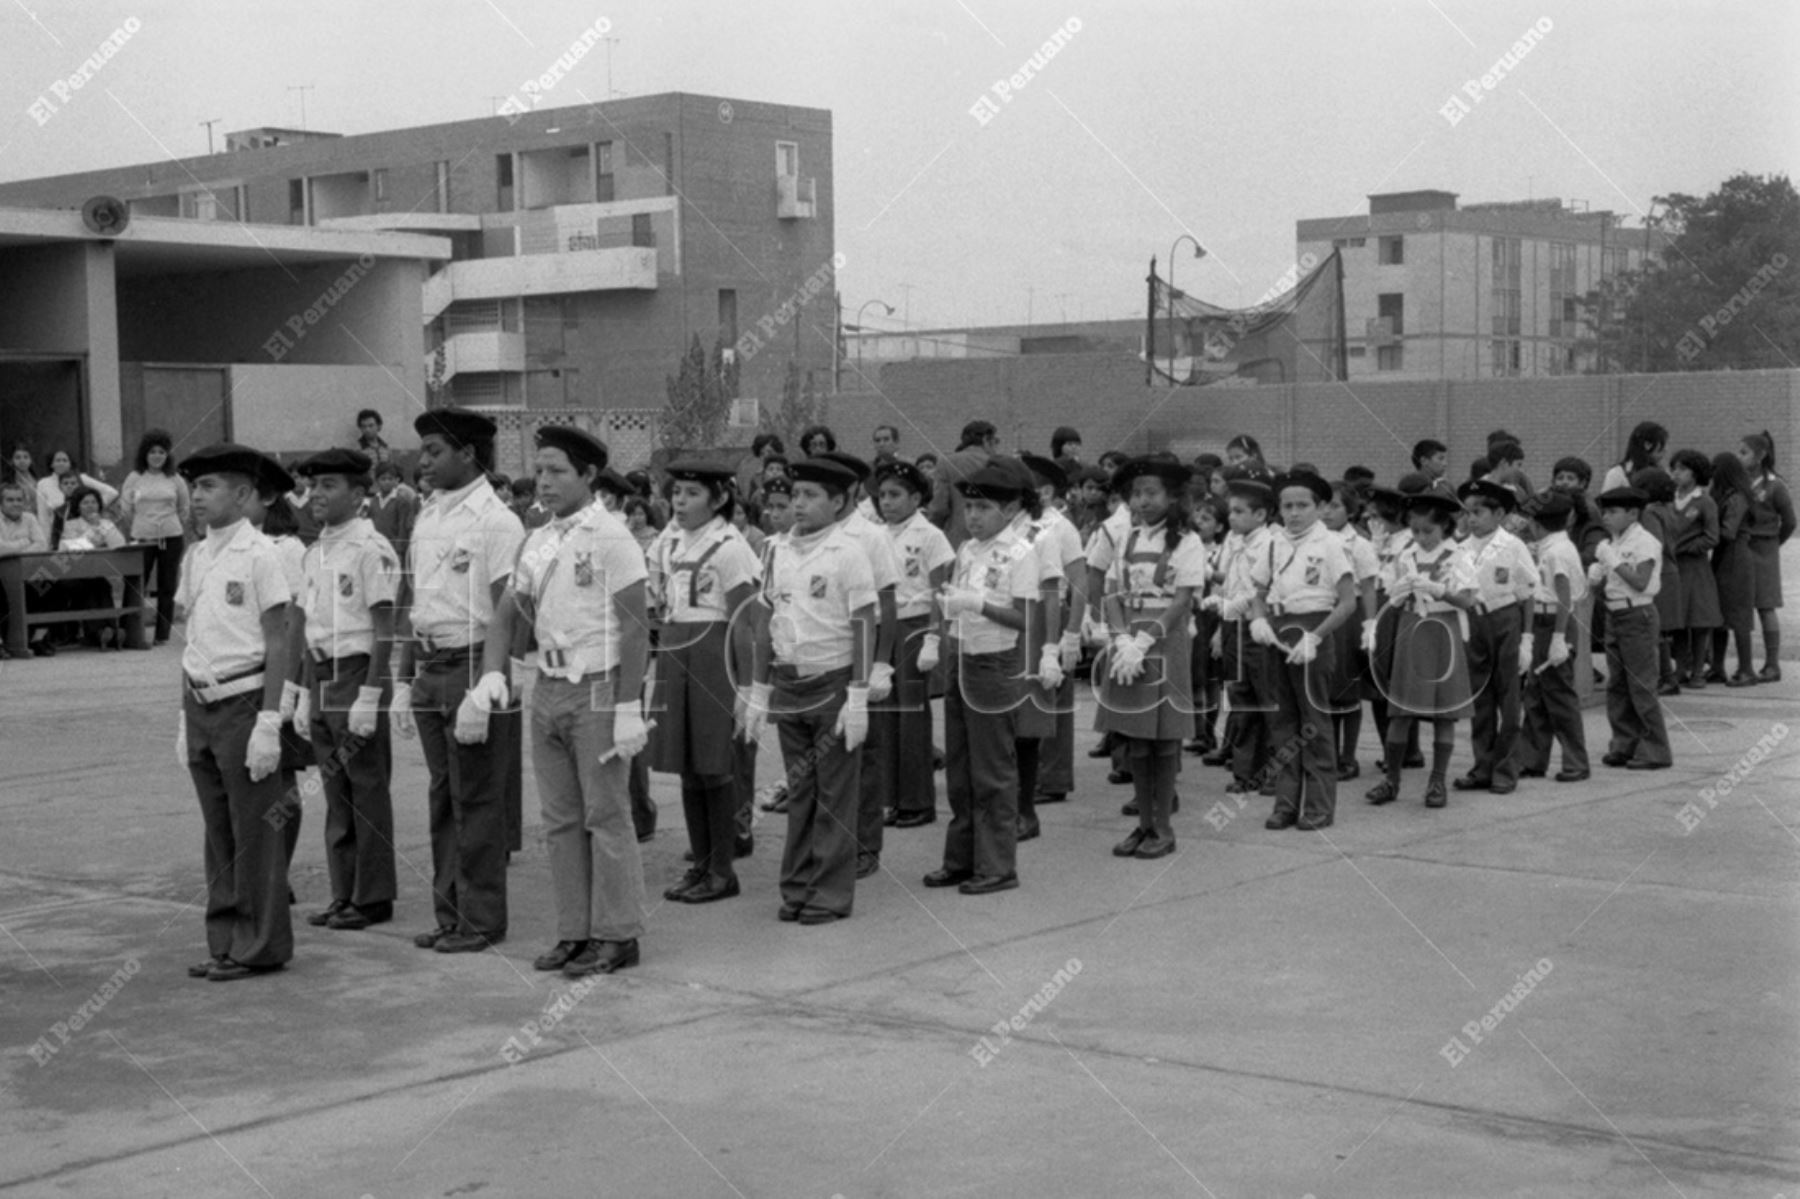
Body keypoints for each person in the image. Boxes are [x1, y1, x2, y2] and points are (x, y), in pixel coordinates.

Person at [479, 425, 651, 976]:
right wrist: (490, 674)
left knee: (605, 814)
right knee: (559, 819)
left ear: (588, 476)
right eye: (540, 469)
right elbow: (508, 614)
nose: (544, 481)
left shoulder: (613, 537)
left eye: (557, 471)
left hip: (597, 687)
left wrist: (628, 706)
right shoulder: (538, 539)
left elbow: (634, 628)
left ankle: (618, 933)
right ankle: (575, 931)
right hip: (547, 688)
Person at [393, 408, 526, 955]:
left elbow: (508, 611)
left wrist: (492, 679)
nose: (422, 462)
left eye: (434, 451)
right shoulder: (427, 515)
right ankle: (450, 912)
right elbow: (414, 602)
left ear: (469, 454)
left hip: (474, 664)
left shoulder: (497, 521)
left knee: (478, 798)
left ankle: (482, 918)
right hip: (430, 665)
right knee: (444, 797)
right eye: (422, 451)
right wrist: (401, 678)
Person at [174, 444, 297, 982]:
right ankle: (224, 940)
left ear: (244, 494)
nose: (197, 497)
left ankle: (261, 946)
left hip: (245, 701)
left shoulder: (262, 555)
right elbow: (193, 635)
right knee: (218, 831)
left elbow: (281, 640)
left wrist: (271, 721)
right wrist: (183, 717)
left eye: (209, 487)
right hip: (201, 701)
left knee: (256, 832)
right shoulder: (196, 555)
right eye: (195, 488)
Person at [742, 455, 877, 923]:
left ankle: (830, 894)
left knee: (835, 794)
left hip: (833, 682)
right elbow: (765, 621)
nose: (798, 504)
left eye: (811, 495)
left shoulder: (848, 552)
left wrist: (858, 696)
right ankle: (797, 886)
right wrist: (758, 691)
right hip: (790, 682)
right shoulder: (776, 551)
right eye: (795, 495)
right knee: (800, 789)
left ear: (838, 502)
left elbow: (864, 623)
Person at [289, 448, 400, 934]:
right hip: (321, 671)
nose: (316, 494)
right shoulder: (314, 551)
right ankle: (344, 891)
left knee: (366, 788)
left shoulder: (369, 548)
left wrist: (371, 694)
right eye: (313, 485)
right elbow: (306, 625)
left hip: (356, 671)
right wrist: (299, 692)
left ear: (359, 495)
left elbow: (384, 628)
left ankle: (373, 896)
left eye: (329, 485)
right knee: (336, 792)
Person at [646, 458, 760, 906]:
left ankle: (722, 869)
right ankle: (701, 862)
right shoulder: (671, 541)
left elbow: (745, 623)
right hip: (677, 650)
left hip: (713, 654)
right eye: (677, 492)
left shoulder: (730, 547)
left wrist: (749, 688)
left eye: (693, 494)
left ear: (719, 500)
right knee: (689, 766)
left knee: (715, 765)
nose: (681, 501)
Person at [921, 460, 1037, 891]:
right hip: (963, 658)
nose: (972, 517)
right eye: (967, 507)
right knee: (960, 767)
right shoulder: (968, 550)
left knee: (992, 772)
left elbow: (1026, 618)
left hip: (994, 663)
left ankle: (997, 865)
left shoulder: (1021, 552)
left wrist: (977, 604)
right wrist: (950, 614)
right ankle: (962, 857)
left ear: (1008, 510)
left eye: (983, 508)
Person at [1096, 456, 1206, 854]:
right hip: (1128, 642)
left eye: (1151, 493)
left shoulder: (1187, 541)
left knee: (1163, 740)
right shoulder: (1126, 538)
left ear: (1173, 496)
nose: (1142, 501)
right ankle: (1142, 824)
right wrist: (1122, 638)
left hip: (1164, 641)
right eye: (1136, 494)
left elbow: (1182, 601)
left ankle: (1163, 827)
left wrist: (1144, 642)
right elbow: (1111, 592)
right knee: (1134, 740)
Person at [1255, 471, 1356, 830]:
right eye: (1287, 506)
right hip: (1278, 632)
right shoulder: (1273, 543)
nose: (1294, 513)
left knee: (1314, 723)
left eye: (1302, 505)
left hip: (1314, 631)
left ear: (1320, 507)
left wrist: (1315, 637)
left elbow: (1347, 603)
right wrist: (1259, 619)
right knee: (1282, 722)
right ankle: (1285, 803)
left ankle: (1318, 805)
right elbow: (1257, 590)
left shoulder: (1331, 545)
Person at [1365, 490, 1475, 809]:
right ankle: (1392, 780)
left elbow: (1469, 600)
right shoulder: (1406, 555)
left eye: (1429, 531)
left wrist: (1443, 590)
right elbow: (1393, 593)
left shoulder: (1458, 557)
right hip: (1411, 629)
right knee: (1400, 710)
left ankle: (1437, 782)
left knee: (1444, 713)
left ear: (1445, 528)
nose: (1421, 537)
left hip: (1443, 632)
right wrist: (1397, 595)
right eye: (1415, 531)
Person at [872, 459, 953, 829]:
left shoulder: (929, 536)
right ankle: (890, 797)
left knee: (912, 717)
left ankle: (918, 801)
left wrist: (934, 638)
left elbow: (940, 592)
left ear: (916, 497)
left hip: (916, 625)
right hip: (883, 626)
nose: (886, 502)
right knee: (885, 716)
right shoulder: (876, 534)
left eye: (895, 495)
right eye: (882, 495)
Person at [1451, 479, 1538, 795]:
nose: (1472, 519)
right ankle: (1482, 766)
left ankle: (1506, 768)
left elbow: (1528, 592)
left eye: (1479, 512)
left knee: (1509, 698)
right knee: (1480, 699)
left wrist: (1527, 638)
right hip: (1474, 621)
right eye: (1468, 512)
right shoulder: (1459, 548)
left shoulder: (1513, 546)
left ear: (1499, 513)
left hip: (1505, 618)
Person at [1018, 454, 1087, 817]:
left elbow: (1079, 581)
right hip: (1022, 612)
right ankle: (1030, 771)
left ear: (1044, 490)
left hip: (1053, 611)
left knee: (1054, 697)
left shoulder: (1061, 527)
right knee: (1030, 693)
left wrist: (1072, 631)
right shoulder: (1017, 523)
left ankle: (1054, 777)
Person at [1590, 486, 1672, 769]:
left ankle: (1655, 750)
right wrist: (1596, 577)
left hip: (1637, 614)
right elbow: (1608, 586)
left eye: (1613, 511)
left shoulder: (1644, 541)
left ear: (1633, 513)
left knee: (1641, 684)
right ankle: (1624, 743)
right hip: (1615, 614)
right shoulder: (1613, 541)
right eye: (1605, 511)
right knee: (1618, 686)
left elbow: (1639, 581)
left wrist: (1612, 561)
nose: (1606, 517)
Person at [1205, 475, 1276, 794]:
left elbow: (1262, 590)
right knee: (1241, 699)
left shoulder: (1270, 544)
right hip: (1235, 627)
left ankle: (1275, 772)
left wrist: (1230, 605)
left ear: (1260, 515)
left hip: (1258, 627)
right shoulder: (1235, 542)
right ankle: (1246, 772)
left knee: (1268, 701)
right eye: (1230, 511)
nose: (1231, 517)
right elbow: (1232, 583)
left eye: (1238, 511)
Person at [1516, 491, 1590, 782]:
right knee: (1535, 694)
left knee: (1559, 695)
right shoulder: (1551, 546)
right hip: (1542, 620)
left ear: (1537, 522)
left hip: (1554, 621)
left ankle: (1576, 762)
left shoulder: (1558, 551)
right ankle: (1532, 758)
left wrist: (1559, 637)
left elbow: (1564, 597)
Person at [1321, 481, 1379, 781]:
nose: (1327, 512)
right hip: (1319, 612)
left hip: (1347, 616)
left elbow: (1368, 587)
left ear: (1350, 510)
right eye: (1324, 506)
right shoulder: (1312, 541)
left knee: (1346, 689)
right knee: (1325, 691)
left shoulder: (1359, 545)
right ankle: (1327, 754)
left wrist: (1370, 626)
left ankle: (1348, 757)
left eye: (1335, 506)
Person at [120, 430, 192, 645]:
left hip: (171, 536)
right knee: (135, 584)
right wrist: (143, 525)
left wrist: (168, 524)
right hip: (143, 536)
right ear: (145, 454)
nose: (157, 456)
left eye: (161, 452)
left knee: (167, 586)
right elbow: (126, 508)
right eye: (153, 452)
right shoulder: (134, 478)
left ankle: (162, 634)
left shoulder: (175, 478)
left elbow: (184, 507)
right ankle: (128, 632)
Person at [1740, 431, 1793, 682]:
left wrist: (1773, 542)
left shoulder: (1775, 485)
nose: (1740, 457)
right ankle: (1744, 665)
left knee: (1766, 606)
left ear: (1760, 456)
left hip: (1765, 549)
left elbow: (1790, 522)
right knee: (1740, 607)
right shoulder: (1738, 482)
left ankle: (1772, 665)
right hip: (1741, 550)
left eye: (1744, 452)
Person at [1666, 450, 1721, 687]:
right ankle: (1680, 669)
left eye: (1682, 469)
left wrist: (1688, 547)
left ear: (1695, 473)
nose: (1676, 473)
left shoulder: (1705, 501)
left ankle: (1698, 671)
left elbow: (1712, 537)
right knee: (1678, 621)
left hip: (1696, 568)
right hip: (1674, 569)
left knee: (1699, 621)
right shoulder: (1669, 500)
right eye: (1674, 468)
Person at [53, 486, 127, 648]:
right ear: (78, 506)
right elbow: (75, 548)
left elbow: (119, 544)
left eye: (93, 502)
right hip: (72, 575)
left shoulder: (106, 523)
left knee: (102, 584)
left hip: (96, 573)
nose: (90, 506)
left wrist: (100, 526)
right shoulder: (70, 525)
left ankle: (111, 631)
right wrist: (94, 533)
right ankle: (99, 633)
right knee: (91, 586)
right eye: (85, 502)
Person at [1707, 452, 1758, 686]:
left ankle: (1746, 669)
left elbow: (1728, 531)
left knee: (1737, 615)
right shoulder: (1728, 495)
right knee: (1719, 614)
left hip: (1735, 556)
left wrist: (1705, 529)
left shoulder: (1737, 497)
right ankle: (1717, 667)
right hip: (1725, 555)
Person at [928, 419, 1000, 548]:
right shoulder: (999, 465)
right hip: (993, 540)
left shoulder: (946, 463)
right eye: (995, 441)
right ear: (985, 440)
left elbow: (939, 508)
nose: (996, 447)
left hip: (956, 541)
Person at [35, 449, 117, 529]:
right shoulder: (43, 484)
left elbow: (112, 493)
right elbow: (43, 516)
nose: (61, 463)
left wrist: (93, 506)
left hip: (85, 530)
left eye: (65, 460)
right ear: (51, 464)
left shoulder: (81, 479)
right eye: (58, 460)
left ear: (70, 464)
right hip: (57, 530)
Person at [368, 459, 419, 569]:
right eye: (383, 479)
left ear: (396, 480)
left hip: (394, 548)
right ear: (377, 481)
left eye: (390, 479)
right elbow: (369, 524)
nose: (387, 482)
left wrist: (399, 551)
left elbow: (403, 528)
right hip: (376, 548)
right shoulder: (374, 501)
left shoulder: (401, 501)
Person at [1600, 421, 1667, 494]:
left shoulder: (1662, 473)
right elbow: (1606, 502)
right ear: (1647, 445)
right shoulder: (1616, 474)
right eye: (1662, 444)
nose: (1665, 450)